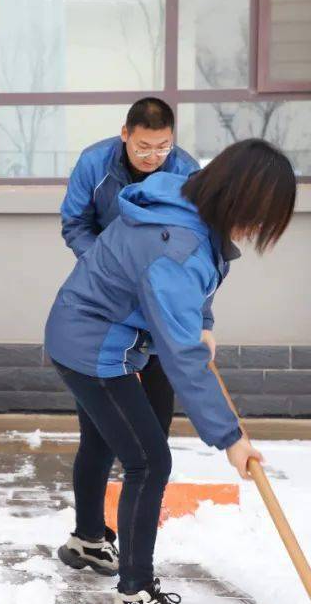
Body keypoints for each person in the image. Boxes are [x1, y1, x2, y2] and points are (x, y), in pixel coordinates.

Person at [45, 139, 296, 604]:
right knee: (148, 459)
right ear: (239, 199)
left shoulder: (182, 202)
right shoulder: (175, 243)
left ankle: (87, 540)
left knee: (103, 439)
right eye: (261, 216)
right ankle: (135, 593)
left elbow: (199, 279)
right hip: (93, 346)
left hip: (78, 331)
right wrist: (230, 437)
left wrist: (202, 318)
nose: (258, 229)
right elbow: (181, 355)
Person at [57, 98, 209, 573]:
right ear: (125, 134)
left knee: (151, 440)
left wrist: (201, 321)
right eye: (144, 147)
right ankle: (88, 535)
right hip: (106, 313)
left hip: (160, 315)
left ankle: (135, 538)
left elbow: (197, 256)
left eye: (162, 146)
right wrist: (111, 269)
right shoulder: (94, 163)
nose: (153, 157)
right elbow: (74, 224)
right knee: (101, 433)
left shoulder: (186, 173)